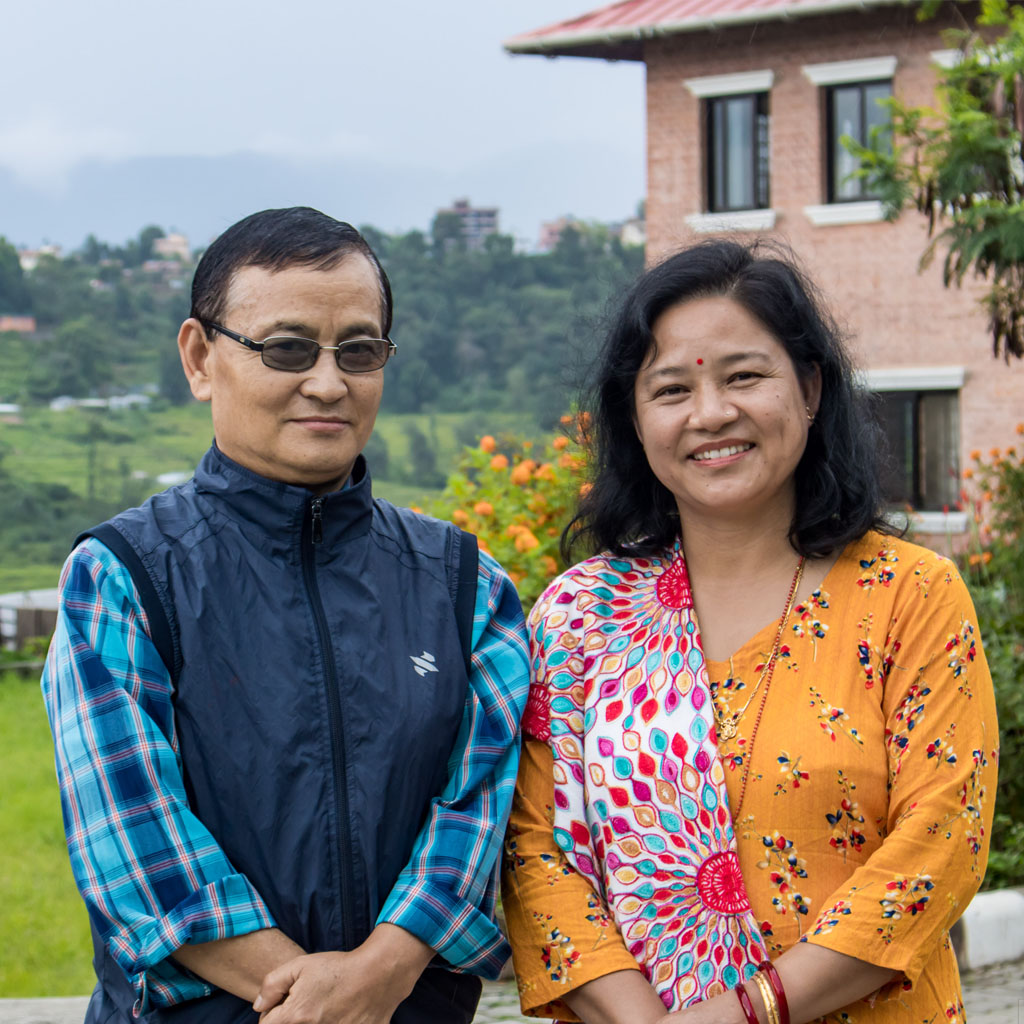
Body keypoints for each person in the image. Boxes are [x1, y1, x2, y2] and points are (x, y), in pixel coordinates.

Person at [41, 207, 530, 1024]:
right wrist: (316, 1000)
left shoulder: (465, 584)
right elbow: (135, 848)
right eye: (288, 349)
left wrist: (376, 974)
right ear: (201, 359)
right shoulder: (124, 578)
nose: (329, 382)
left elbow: (479, 816)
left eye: (360, 351)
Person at [501, 239, 998, 1024]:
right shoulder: (578, 620)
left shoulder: (910, 597)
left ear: (809, 388)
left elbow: (945, 840)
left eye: (744, 376)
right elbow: (535, 854)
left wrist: (745, 1012)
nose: (711, 414)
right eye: (671, 388)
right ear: (634, 418)